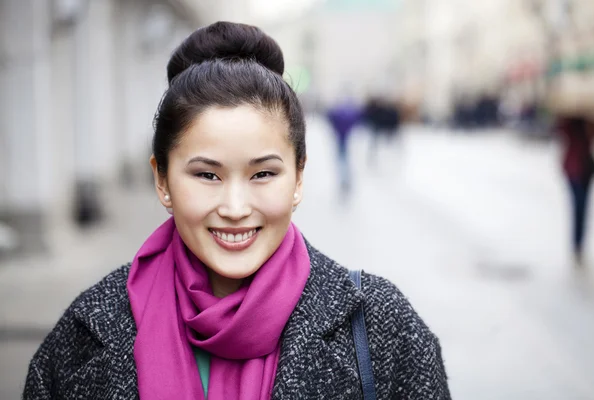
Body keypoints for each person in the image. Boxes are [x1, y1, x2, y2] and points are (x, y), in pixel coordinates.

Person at [23, 22, 451, 400]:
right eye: (207, 176)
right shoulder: (84, 336)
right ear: (162, 181)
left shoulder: (382, 329)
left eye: (263, 174)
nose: (234, 208)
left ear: (299, 178)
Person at [556, 114, 594, 264]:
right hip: (574, 171)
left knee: (583, 208)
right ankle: (577, 244)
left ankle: (579, 243)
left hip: (585, 171)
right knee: (578, 207)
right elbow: (560, 131)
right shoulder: (568, 122)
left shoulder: (590, 122)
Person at [326, 95, 363, 195]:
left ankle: (345, 180)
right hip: (345, 138)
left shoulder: (338, 113)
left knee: (342, 160)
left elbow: (330, 118)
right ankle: (345, 180)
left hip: (342, 139)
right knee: (345, 160)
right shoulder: (351, 113)